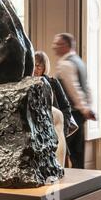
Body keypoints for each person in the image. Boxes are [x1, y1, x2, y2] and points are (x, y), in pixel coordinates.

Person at [52, 33, 96, 169]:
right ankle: (81, 182)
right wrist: (87, 108)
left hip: (71, 114)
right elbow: (87, 88)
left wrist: (84, 109)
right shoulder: (78, 61)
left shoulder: (65, 64)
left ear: (66, 46)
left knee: (61, 148)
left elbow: (74, 89)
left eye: (57, 44)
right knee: (77, 152)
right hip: (80, 114)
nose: (54, 47)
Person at [34, 51, 79, 166]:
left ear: (45, 67)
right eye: (33, 65)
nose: (35, 69)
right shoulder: (26, 84)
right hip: (37, 133)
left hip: (55, 130)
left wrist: (62, 130)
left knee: (61, 165)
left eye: (38, 66)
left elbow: (65, 107)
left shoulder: (53, 82)